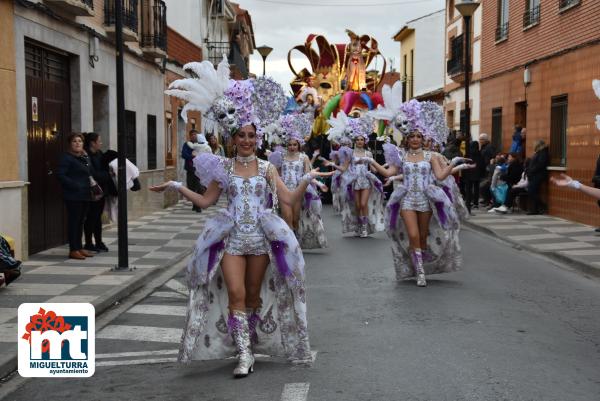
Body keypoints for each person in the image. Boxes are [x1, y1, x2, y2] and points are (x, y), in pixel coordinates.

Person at [160, 56, 327, 378]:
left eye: (251, 136)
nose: (247, 141)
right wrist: (177, 185)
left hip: (262, 241)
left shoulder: (268, 168)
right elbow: (207, 201)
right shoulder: (220, 166)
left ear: (257, 138)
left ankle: (251, 342)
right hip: (232, 239)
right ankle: (244, 354)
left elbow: (288, 199)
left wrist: (306, 180)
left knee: (252, 295)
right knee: (235, 294)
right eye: (241, 136)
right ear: (232, 138)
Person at [370, 131, 470, 287]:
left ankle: (417, 260)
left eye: (418, 137)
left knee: (422, 236)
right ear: (407, 139)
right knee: (413, 234)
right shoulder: (401, 156)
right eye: (412, 137)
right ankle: (420, 272)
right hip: (407, 200)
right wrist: (371, 160)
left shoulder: (431, 156)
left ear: (423, 140)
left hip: (426, 200)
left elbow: (440, 176)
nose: (415, 139)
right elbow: (389, 172)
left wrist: (453, 163)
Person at [268, 115, 329, 249]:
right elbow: (276, 175)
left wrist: (319, 184)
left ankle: (294, 238)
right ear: (286, 145)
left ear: (299, 145)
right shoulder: (280, 157)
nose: (292, 147)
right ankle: (291, 245)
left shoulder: (304, 157)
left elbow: (308, 175)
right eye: (289, 144)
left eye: (294, 144)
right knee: (287, 218)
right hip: (283, 191)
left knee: (295, 218)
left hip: (298, 191)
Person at [323, 112, 384, 238]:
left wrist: (381, 167)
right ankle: (358, 224)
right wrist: (332, 164)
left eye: (362, 139)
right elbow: (344, 168)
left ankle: (364, 227)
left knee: (363, 204)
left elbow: (374, 169)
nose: (360, 142)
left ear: (365, 141)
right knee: (356, 205)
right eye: (357, 140)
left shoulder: (368, 154)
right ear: (354, 141)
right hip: (354, 181)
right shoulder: (350, 154)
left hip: (366, 181)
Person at [57, 133, 94, 260]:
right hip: (73, 196)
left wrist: (86, 158)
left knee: (80, 222)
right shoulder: (66, 158)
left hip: (85, 195)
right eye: (74, 141)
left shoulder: (83, 158)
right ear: (70, 144)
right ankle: (73, 249)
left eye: (80, 141)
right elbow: (60, 175)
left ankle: (79, 247)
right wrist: (75, 185)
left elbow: (90, 173)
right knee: (74, 223)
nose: (78, 143)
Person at [83, 133, 111, 252]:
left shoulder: (99, 154)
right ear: (92, 143)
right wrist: (108, 175)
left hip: (101, 191)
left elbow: (105, 168)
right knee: (91, 217)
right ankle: (89, 243)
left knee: (97, 218)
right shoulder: (87, 156)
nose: (101, 143)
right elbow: (93, 173)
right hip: (91, 192)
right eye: (99, 141)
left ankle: (99, 241)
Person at [526, 140, 549, 215]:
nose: (534, 146)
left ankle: (542, 206)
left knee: (532, 191)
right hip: (534, 175)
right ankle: (534, 210)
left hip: (538, 175)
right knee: (533, 192)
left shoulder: (543, 153)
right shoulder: (539, 153)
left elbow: (540, 164)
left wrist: (532, 170)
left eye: (535, 144)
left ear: (539, 145)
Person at [181, 129, 203, 213]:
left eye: (195, 134)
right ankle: (195, 204)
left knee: (199, 188)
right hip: (190, 169)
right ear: (190, 136)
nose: (194, 136)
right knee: (191, 188)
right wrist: (192, 156)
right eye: (192, 134)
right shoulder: (186, 145)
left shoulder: (201, 144)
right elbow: (183, 154)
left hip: (199, 170)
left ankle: (198, 205)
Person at [462, 141, 484, 214]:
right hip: (477, 173)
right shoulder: (479, 153)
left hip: (469, 173)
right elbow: (481, 164)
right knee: (476, 188)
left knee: (469, 188)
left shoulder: (468, 153)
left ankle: (469, 202)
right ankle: (476, 203)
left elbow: (464, 163)